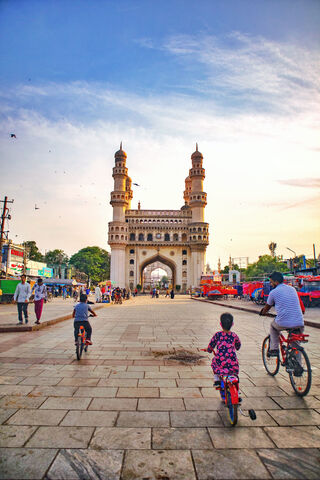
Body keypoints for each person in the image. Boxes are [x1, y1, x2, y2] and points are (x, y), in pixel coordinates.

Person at [260, 271, 304, 357]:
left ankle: (274, 349)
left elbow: (267, 307)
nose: (270, 284)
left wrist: (263, 312)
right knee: (295, 344)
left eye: (271, 282)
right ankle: (298, 367)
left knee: (273, 326)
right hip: (299, 322)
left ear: (276, 282)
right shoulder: (292, 289)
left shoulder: (273, 292)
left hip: (284, 322)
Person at [204, 312, 241, 385]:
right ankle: (237, 390)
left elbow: (211, 344)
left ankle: (217, 378)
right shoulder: (234, 335)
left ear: (220, 324)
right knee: (234, 371)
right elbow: (238, 345)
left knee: (214, 363)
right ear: (232, 324)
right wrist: (236, 347)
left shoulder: (218, 334)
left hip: (220, 360)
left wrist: (209, 350)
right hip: (232, 360)